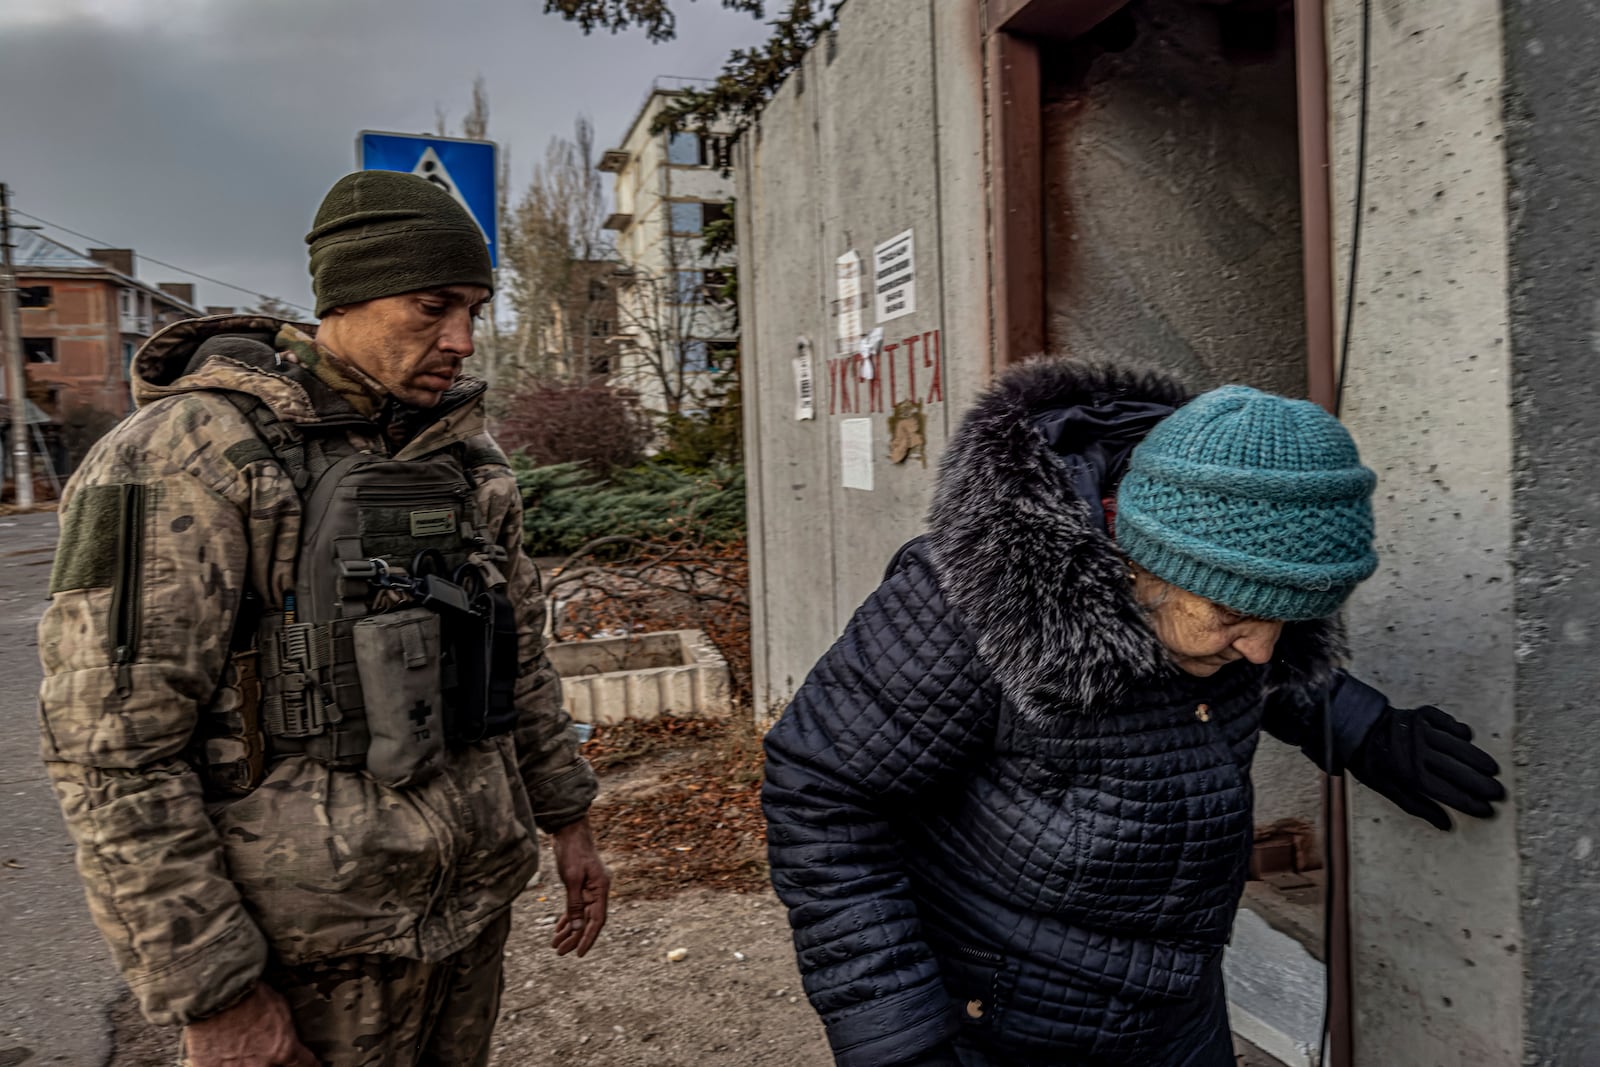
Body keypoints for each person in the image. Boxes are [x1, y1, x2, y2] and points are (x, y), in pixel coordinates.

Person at [762, 359, 1505, 1067]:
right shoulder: (969, 603)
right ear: (1141, 561)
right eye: (1236, 614)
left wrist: (1363, 727)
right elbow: (823, 796)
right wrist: (898, 1034)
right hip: (996, 1026)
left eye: (1290, 618)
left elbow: (1266, 660)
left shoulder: (1221, 608)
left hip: (1178, 1014)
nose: (1260, 650)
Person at [37, 171, 608, 1067]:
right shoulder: (187, 454)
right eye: (432, 306)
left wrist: (568, 815)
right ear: (347, 296)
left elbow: (519, 654)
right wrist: (213, 992)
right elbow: (111, 746)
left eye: (473, 308)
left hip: (463, 924)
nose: (460, 338)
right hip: (302, 955)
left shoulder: (465, 456)